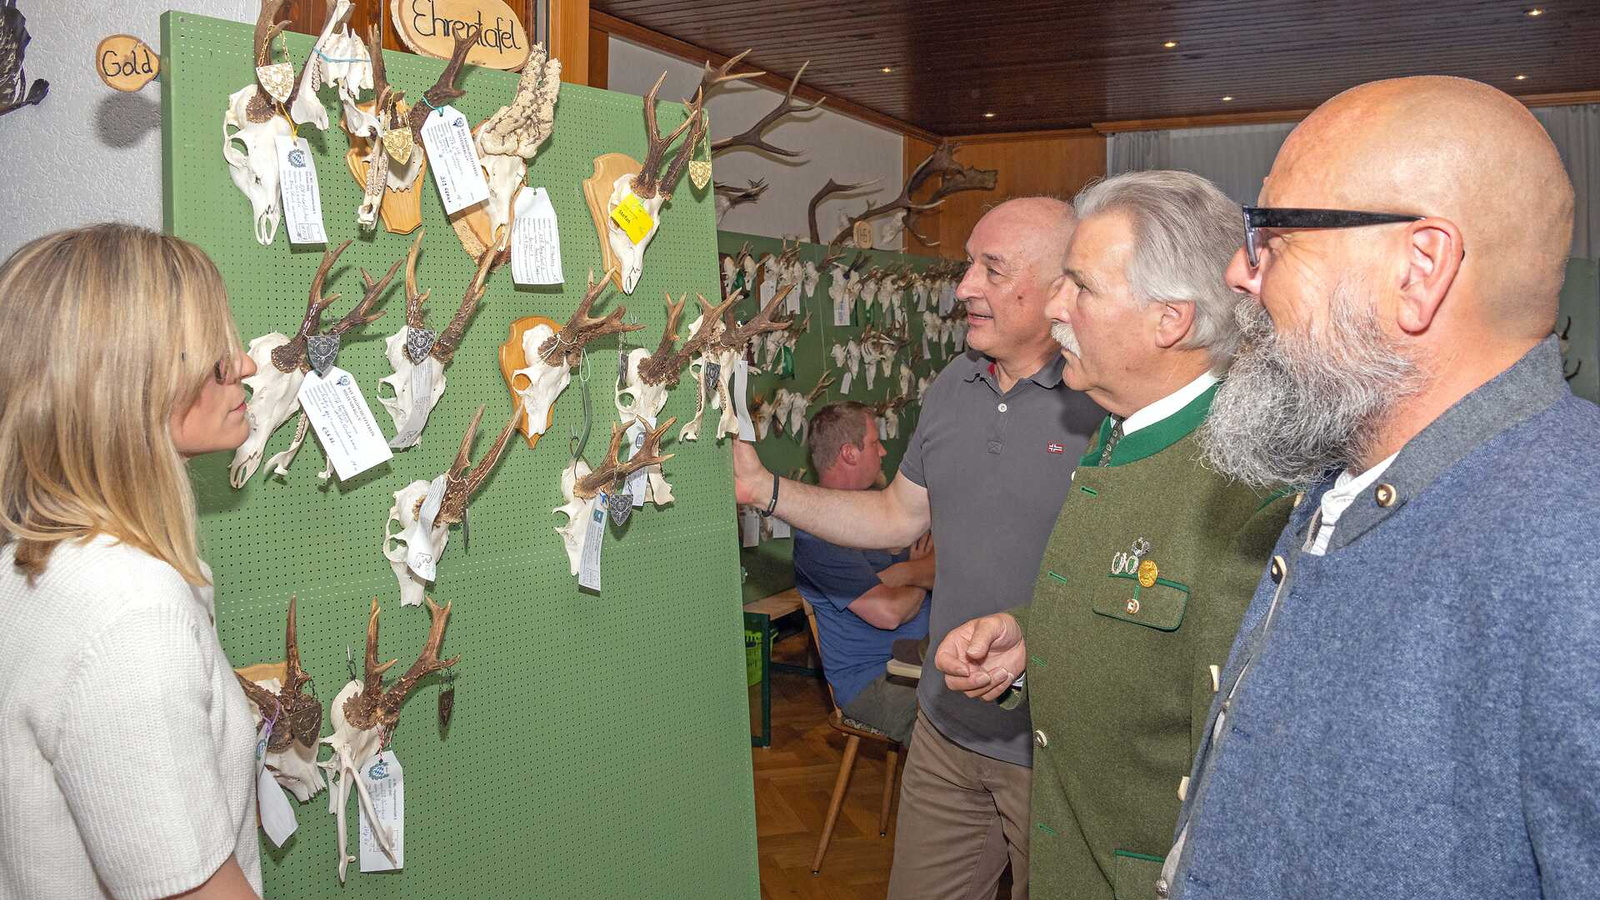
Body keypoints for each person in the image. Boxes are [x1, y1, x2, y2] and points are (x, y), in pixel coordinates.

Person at [1158, 76, 1597, 900]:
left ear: (1419, 268)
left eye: (1274, 236)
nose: (1239, 273)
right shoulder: (1354, 480)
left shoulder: (1579, 546)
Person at [934, 171, 1295, 900]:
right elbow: (1138, 640)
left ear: (1170, 321)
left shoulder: (1248, 494)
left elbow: (1239, 778)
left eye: (1082, 287)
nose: (1057, 307)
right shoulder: (1119, 435)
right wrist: (1029, 645)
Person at [737, 196, 1103, 900]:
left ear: (1060, 288)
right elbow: (896, 515)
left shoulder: (1106, 401)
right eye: (969, 265)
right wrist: (763, 491)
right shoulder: (951, 387)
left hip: (1056, 751)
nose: (963, 286)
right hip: (943, 731)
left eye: (990, 270)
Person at [0, 225, 265, 900]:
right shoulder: (128, 612)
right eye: (210, 355)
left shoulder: (41, 565)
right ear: (130, 380)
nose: (245, 364)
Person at [793, 402, 933, 743]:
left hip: (924, 661)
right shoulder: (818, 536)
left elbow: (943, 562)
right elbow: (889, 613)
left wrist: (903, 574)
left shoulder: (876, 511)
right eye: (874, 442)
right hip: (875, 679)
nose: (883, 451)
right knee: (951, 732)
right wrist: (916, 573)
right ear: (849, 453)